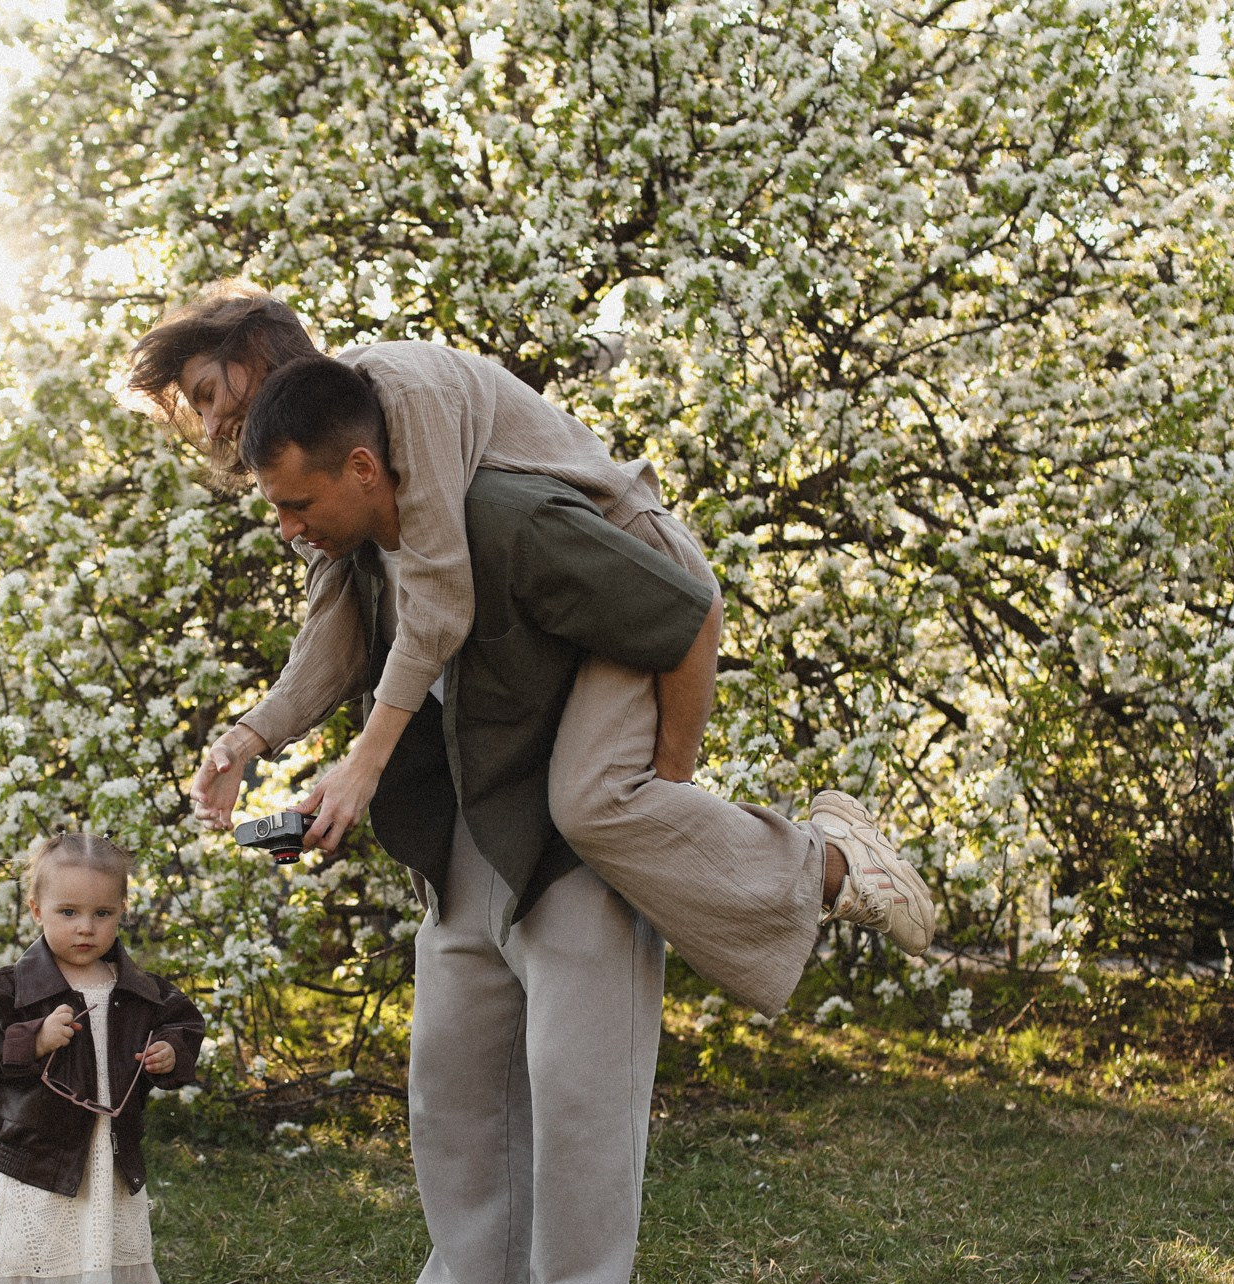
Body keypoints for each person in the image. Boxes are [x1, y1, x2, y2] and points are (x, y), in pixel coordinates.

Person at [230, 358, 918, 1284]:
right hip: (475, 827)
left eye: (295, 503)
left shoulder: (512, 516)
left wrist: (665, 784)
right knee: (450, 1087)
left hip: (578, 841)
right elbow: (345, 652)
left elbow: (686, 613)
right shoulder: (365, 541)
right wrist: (252, 742)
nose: (286, 526)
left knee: (581, 1101)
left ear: (365, 466)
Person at [127, 285, 932, 1015]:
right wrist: (249, 736)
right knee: (577, 800)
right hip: (556, 608)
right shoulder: (310, 469)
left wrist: (367, 760)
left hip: (627, 574)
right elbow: (336, 627)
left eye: (208, 392)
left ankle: (835, 864)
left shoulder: (396, 393)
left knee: (595, 799)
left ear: (263, 353)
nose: (209, 424)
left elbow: (441, 597)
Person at [0, 833, 206, 1284]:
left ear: (123, 911)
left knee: (127, 1243)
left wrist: (169, 1053)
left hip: (111, 1145)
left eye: (102, 913)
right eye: (68, 912)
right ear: (36, 909)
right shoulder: (7, 992)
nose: (85, 928)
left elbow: (183, 1025)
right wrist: (33, 1038)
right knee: (24, 1246)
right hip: (38, 1147)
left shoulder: (139, 991)